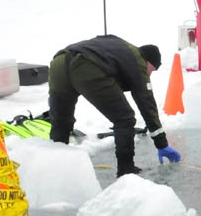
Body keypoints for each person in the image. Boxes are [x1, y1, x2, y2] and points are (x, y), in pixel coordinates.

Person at [47, 35, 181, 176]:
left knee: (61, 122)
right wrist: (162, 144)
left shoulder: (121, 51)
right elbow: (147, 103)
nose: (150, 74)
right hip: (86, 64)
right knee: (125, 119)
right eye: (153, 70)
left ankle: (56, 171)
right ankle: (126, 169)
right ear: (149, 63)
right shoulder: (138, 61)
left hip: (59, 62)